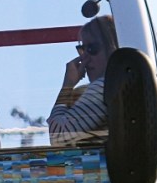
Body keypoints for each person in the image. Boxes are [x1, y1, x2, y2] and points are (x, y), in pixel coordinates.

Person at [47, 15, 118, 146]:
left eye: (92, 49)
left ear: (112, 47)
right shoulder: (112, 87)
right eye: (82, 50)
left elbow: (57, 136)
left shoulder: (103, 87)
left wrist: (67, 86)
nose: (85, 58)